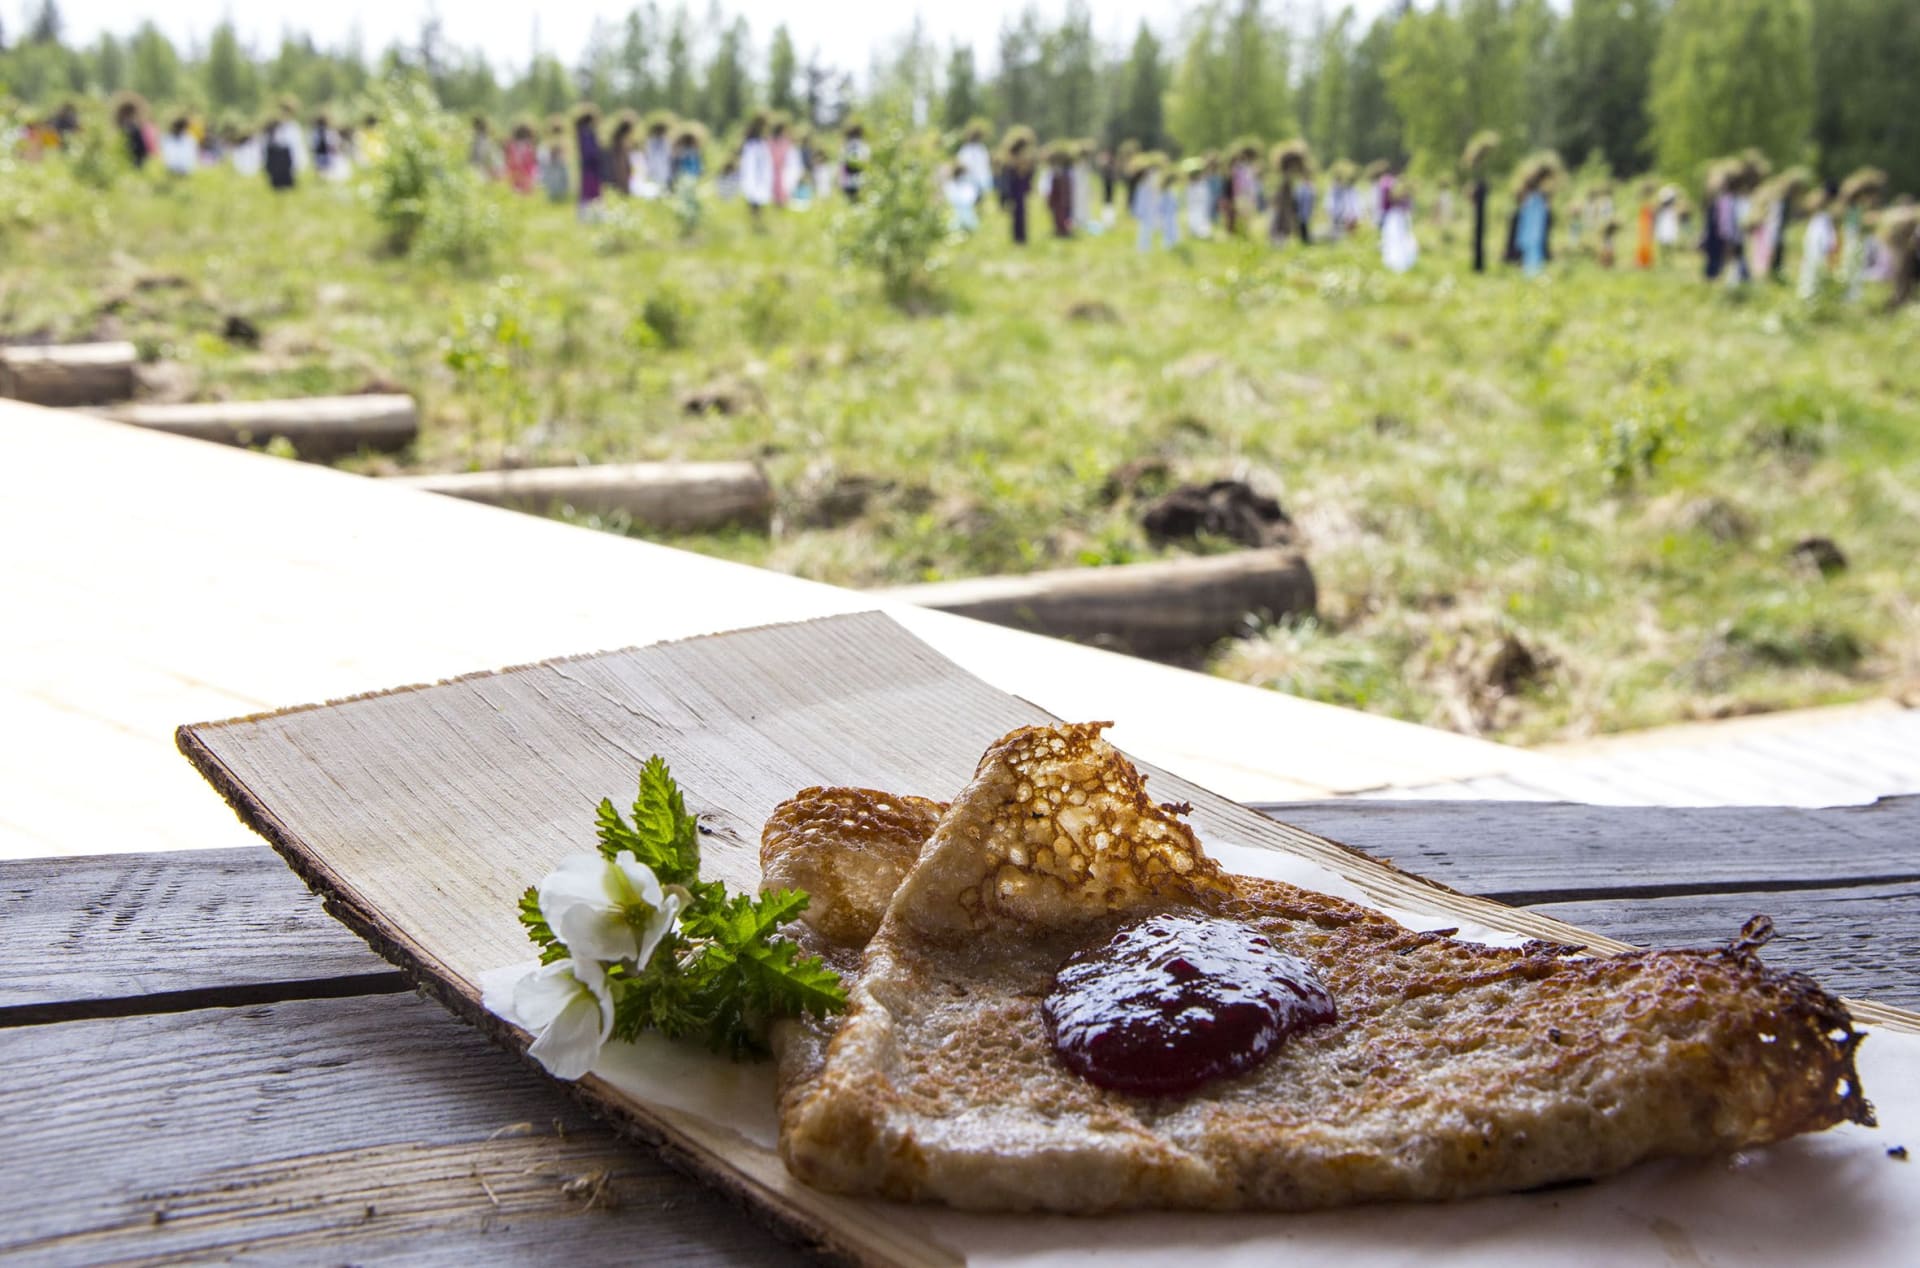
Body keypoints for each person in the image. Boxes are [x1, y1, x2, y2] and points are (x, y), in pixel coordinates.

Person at [1461, 132, 1497, 273]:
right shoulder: (1477, 171)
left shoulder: (1481, 169)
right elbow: (1474, 189)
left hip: (1481, 206)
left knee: (1480, 234)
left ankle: (1479, 265)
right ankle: (1478, 266)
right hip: (1479, 207)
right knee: (1478, 234)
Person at [1799, 189, 1837, 300]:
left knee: (1812, 277)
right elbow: (1828, 241)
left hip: (1815, 254)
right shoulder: (1823, 219)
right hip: (1818, 254)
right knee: (1814, 277)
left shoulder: (1819, 219)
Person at [739, 113, 774, 227]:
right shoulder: (752, 139)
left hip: (759, 170)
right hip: (753, 170)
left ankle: (757, 220)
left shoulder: (760, 138)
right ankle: (754, 220)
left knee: (758, 196)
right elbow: (748, 156)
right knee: (753, 196)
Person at [1002, 132, 1035, 246]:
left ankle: (1019, 237)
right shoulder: (1016, 157)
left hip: (1017, 186)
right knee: (1019, 212)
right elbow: (1021, 172)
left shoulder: (1012, 157)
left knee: (1019, 212)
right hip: (1017, 186)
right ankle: (1019, 238)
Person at [1516, 169, 1550, 277]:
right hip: (1533, 232)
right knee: (1532, 253)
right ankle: (1531, 273)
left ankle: (1532, 273)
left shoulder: (1534, 200)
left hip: (1532, 232)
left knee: (1532, 253)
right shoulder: (1536, 199)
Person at [1381, 175, 1418, 273]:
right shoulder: (1393, 192)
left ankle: (1399, 263)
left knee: (1399, 239)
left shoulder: (1401, 195)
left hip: (1398, 217)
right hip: (1395, 217)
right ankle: (1395, 263)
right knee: (1395, 239)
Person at [264, 102, 302, 192]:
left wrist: (297, 162)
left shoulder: (293, 127)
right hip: (274, 157)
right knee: (275, 187)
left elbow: (296, 146)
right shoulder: (271, 125)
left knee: (287, 186)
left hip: (286, 158)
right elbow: (265, 143)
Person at [573, 106, 603, 221]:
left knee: (586, 194)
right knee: (589, 194)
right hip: (589, 168)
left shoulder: (580, 133)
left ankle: (588, 217)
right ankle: (589, 218)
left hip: (587, 168)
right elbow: (590, 152)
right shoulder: (587, 134)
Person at [957, 122, 993, 208]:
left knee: (977, 201)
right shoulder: (968, 149)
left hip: (976, 179)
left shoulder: (978, 148)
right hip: (970, 179)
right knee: (972, 201)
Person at [112, 94, 151, 168]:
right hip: (123, 161)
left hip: (136, 161)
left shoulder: (136, 129)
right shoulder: (121, 129)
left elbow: (142, 149)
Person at [944, 162, 981, 234]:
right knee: (964, 220)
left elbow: (970, 193)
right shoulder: (953, 184)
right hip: (962, 205)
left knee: (967, 220)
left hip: (964, 205)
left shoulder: (961, 182)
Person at [1046, 145, 1074, 238]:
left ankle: (1063, 230)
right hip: (1058, 197)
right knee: (1058, 214)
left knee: (1063, 214)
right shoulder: (1056, 173)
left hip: (1061, 198)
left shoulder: (1064, 174)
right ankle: (1060, 230)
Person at [606, 113, 637, 197]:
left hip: (622, 169)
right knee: (621, 192)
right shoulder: (619, 140)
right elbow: (619, 159)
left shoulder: (622, 139)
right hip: (620, 170)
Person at [540, 121, 571, 204]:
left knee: (558, 185)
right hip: (555, 167)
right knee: (557, 185)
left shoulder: (550, 141)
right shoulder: (550, 142)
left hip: (557, 167)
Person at [503, 121, 538, 194]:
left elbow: (507, 160)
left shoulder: (510, 145)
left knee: (514, 193)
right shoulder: (529, 146)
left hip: (513, 174)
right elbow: (532, 162)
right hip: (527, 175)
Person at [840, 122, 869, 202]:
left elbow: (842, 160)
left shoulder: (846, 145)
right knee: (858, 196)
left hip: (848, 174)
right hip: (859, 173)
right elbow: (866, 158)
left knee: (850, 197)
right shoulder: (862, 144)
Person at [1634, 182, 1657, 269]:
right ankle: (1642, 261)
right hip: (1645, 223)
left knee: (1647, 243)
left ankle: (1646, 261)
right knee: (1644, 242)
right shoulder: (1646, 201)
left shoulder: (1651, 201)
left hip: (1647, 223)